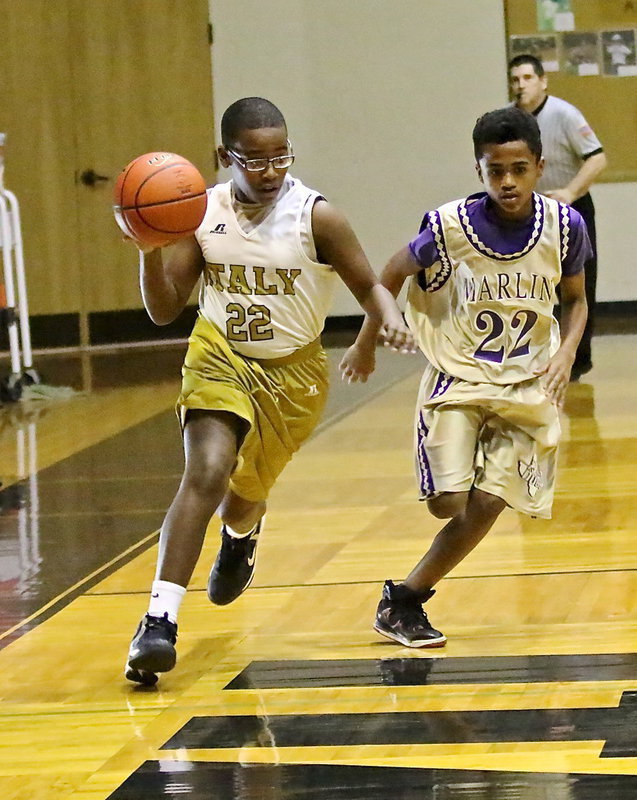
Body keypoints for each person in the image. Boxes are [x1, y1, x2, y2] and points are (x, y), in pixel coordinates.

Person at [124, 97, 413, 684]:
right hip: (220, 356)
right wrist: (148, 250)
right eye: (254, 160)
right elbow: (164, 310)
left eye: (281, 156)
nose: (270, 170)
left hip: (292, 376)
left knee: (243, 495)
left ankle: (241, 534)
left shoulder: (317, 217)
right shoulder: (201, 211)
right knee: (207, 471)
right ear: (225, 156)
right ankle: (158, 622)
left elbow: (368, 285)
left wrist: (391, 319)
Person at [340, 106, 590, 647]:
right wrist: (367, 341)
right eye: (495, 170)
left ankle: (404, 601)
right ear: (479, 170)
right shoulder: (448, 227)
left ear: (539, 166)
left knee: (491, 502)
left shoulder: (566, 226)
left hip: (525, 383)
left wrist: (567, 354)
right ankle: (459, 456)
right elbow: (390, 272)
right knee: (448, 502)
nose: (508, 181)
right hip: (459, 377)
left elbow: (576, 300)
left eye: (519, 169)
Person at [508, 53, 607, 381]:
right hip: (527, 212)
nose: (520, 85)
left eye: (527, 78)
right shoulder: (508, 120)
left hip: (571, 209)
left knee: (577, 285)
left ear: (543, 81)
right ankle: (531, 356)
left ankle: (575, 361)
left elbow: (597, 158)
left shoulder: (564, 114)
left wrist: (569, 192)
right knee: (528, 284)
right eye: (515, 79)